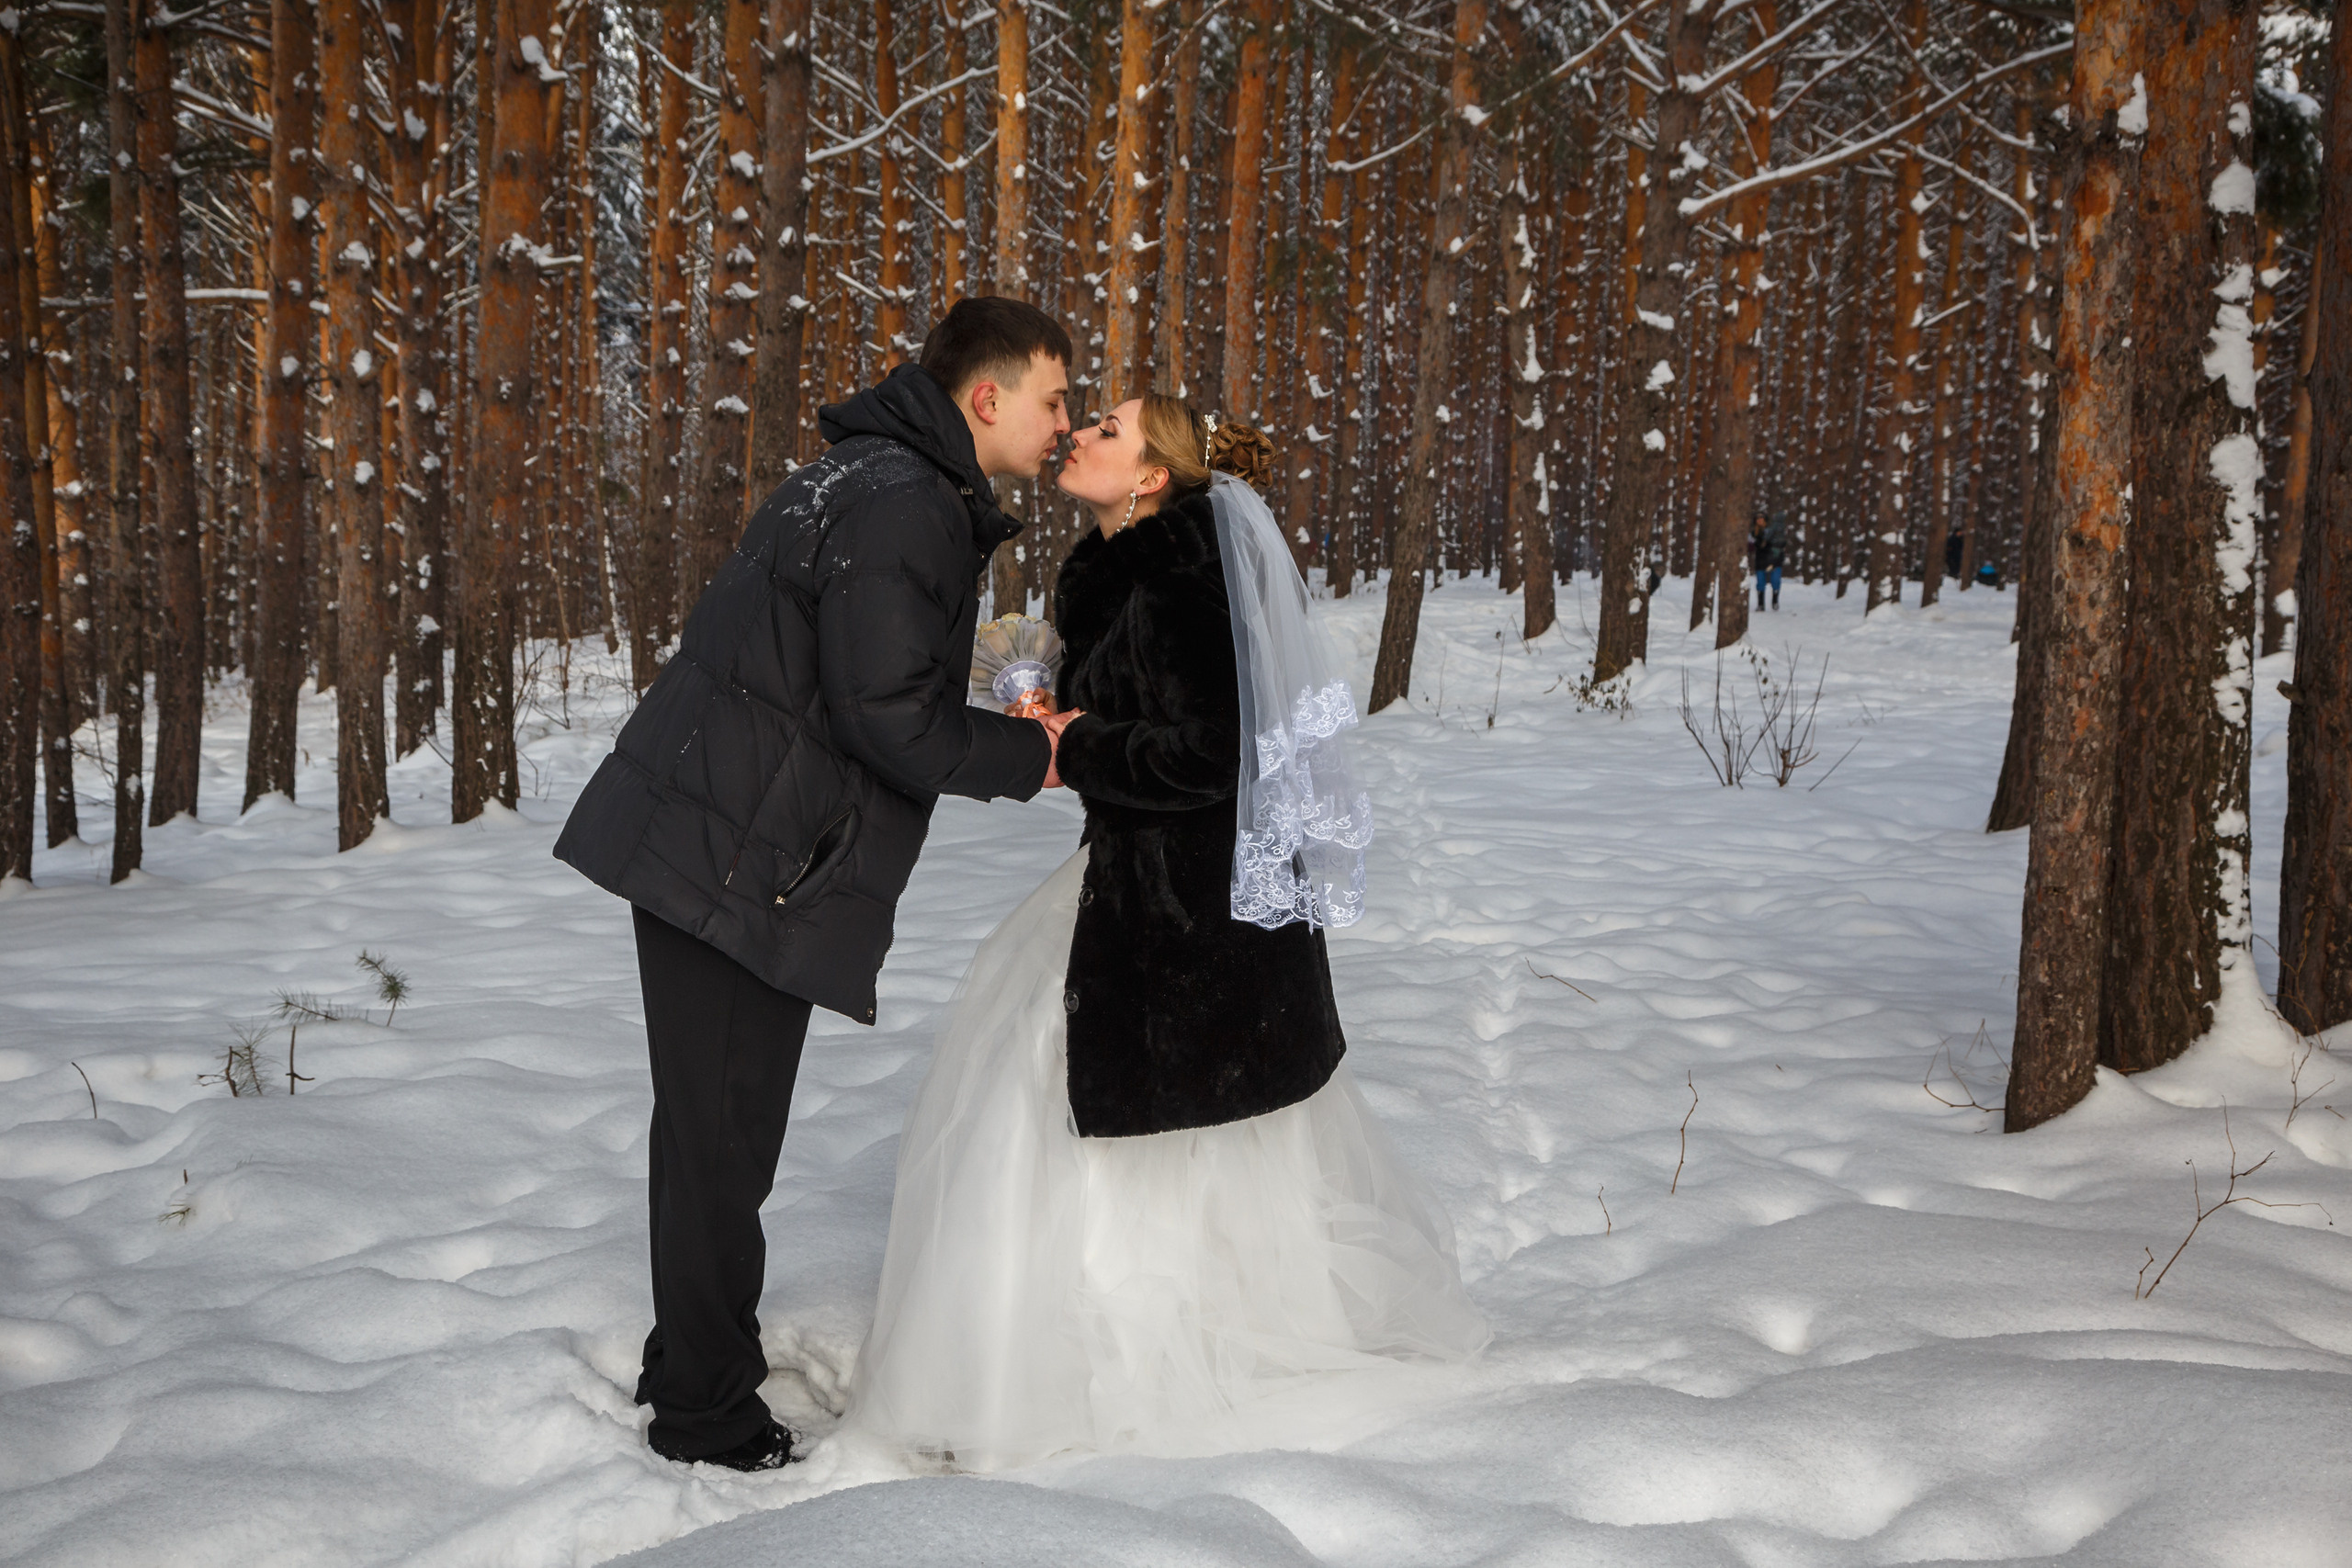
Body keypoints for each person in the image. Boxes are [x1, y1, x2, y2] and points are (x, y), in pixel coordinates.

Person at [840, 393, 1487, 1470]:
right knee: (1058, 1087)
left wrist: (1080, 745)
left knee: (1128, 1110)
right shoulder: (1106, 568)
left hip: (1190, 908)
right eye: (1084, 417)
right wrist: (1054, 723)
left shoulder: (1183, 571)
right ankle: (1046, 1346)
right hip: (1136, 882)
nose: (1078, 433)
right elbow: (1133, 720)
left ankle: (1143, 1354)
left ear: (1149, 476)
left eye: (1107, 429)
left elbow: (1214, 753)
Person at [553, 298, 1080, 1472]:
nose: (1062, 423)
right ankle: (704, 1415)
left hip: (721, 833)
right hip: (738, 852)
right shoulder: (905, 502)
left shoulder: (875, 476)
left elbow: (855, 677)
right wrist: (1034, 757)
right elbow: (887, 716)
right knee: (722, 1138)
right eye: (1052, 399)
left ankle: (690, 1363)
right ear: (986, 397)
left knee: (709, 1132)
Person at [1749, 510, 1788, 611]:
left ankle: (1775, 601)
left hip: (1775, 559)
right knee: (1760, 582)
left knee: (1775, 581)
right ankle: (1761, 604)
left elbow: (1782, 542)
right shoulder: (1753, 532)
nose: (1759, 520)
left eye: (1761, 518)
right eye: (1757, 518)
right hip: (1761, 560)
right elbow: (1751, 547)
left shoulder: (1773, 529)